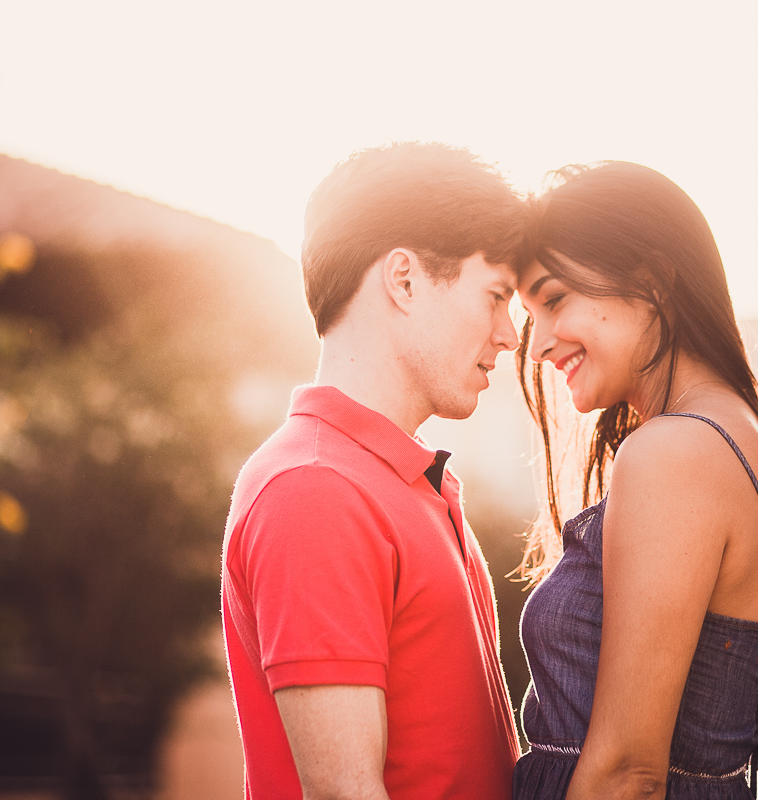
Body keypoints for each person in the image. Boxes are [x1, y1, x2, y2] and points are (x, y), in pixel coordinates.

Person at [221, 142, 528, 800]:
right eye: (497, 296)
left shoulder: (397, 482)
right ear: (404, 279)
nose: (510, 333)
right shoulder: (315, 489)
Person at [512, 161, 758, 800]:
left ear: (652, 283)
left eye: (554, 300)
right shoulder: (725, 433)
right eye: (530, 313)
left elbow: (625, 774)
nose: (538, 346)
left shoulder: (675, 451)